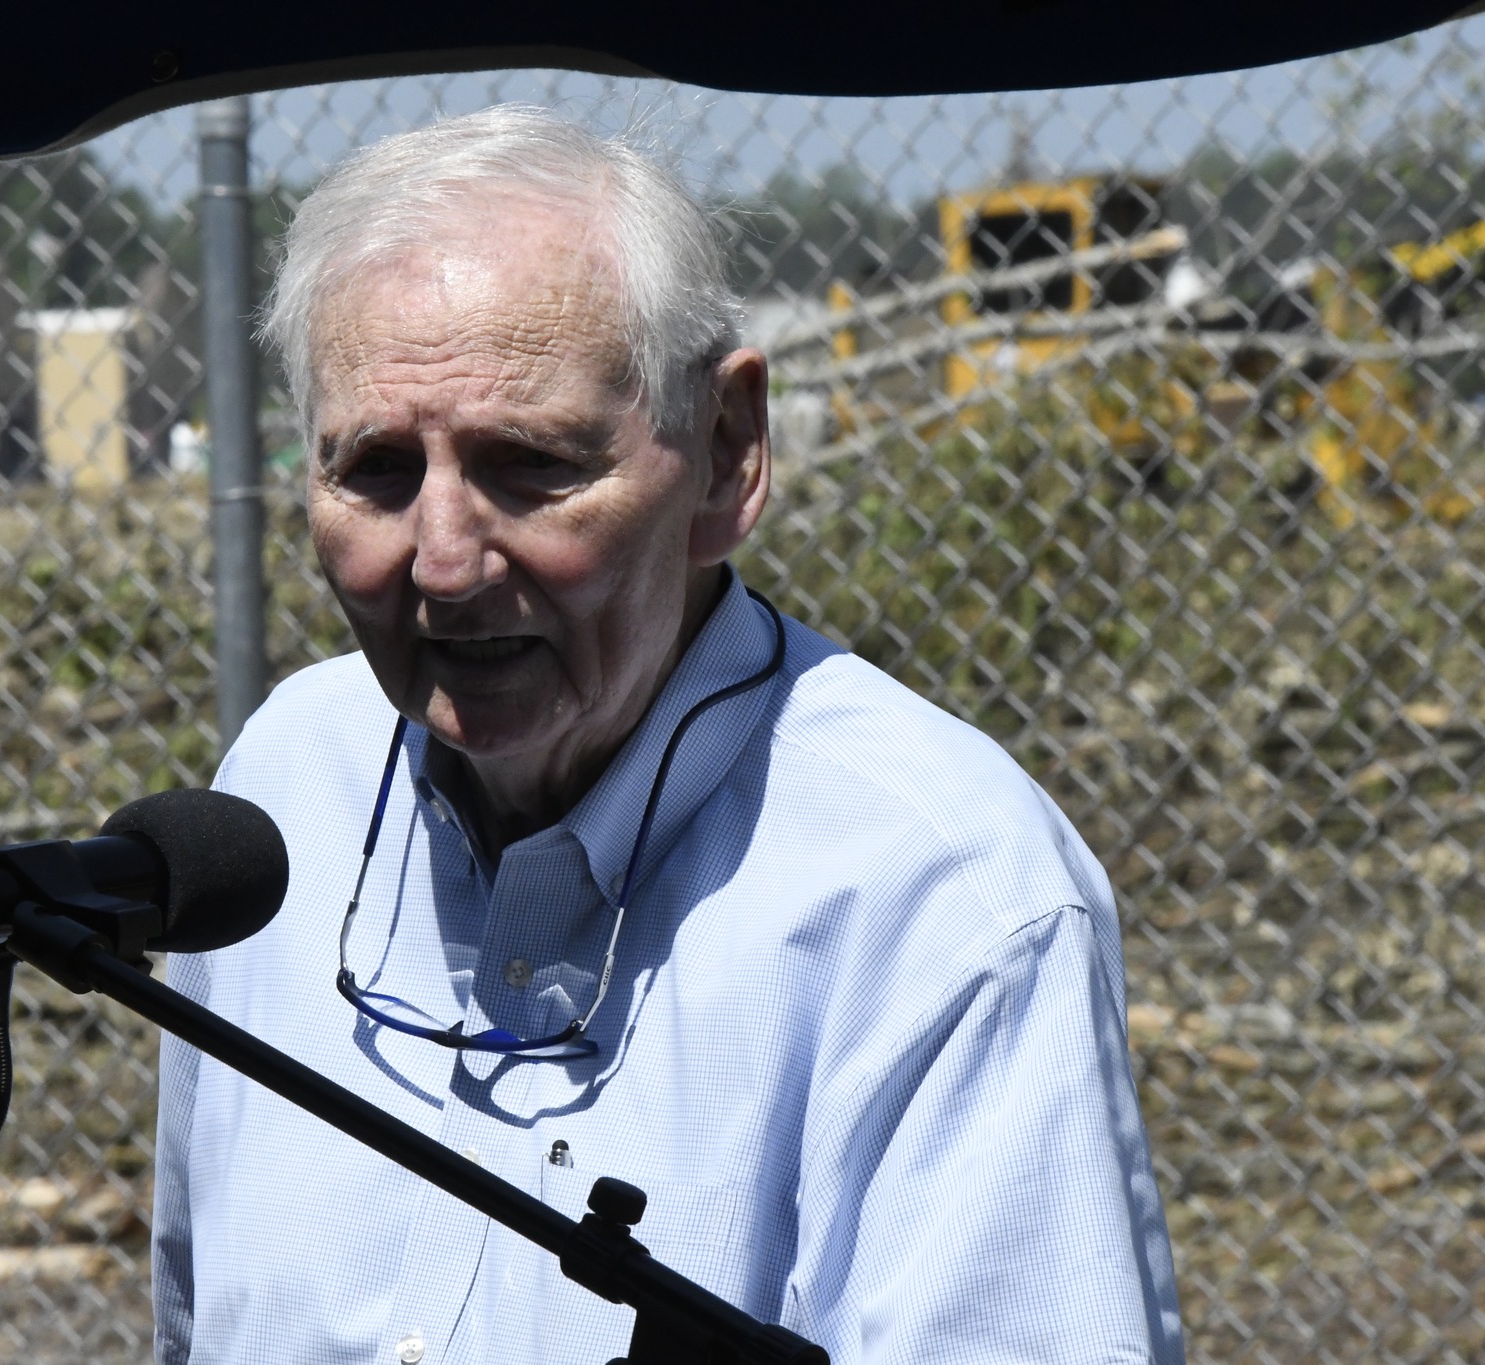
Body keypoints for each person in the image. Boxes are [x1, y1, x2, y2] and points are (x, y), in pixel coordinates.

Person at [152, 105, 1183, 1365]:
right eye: (374, 470)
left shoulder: (938, 896)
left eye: (529, 465)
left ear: (726, 451)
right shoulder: (281, 794)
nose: (443, 561)